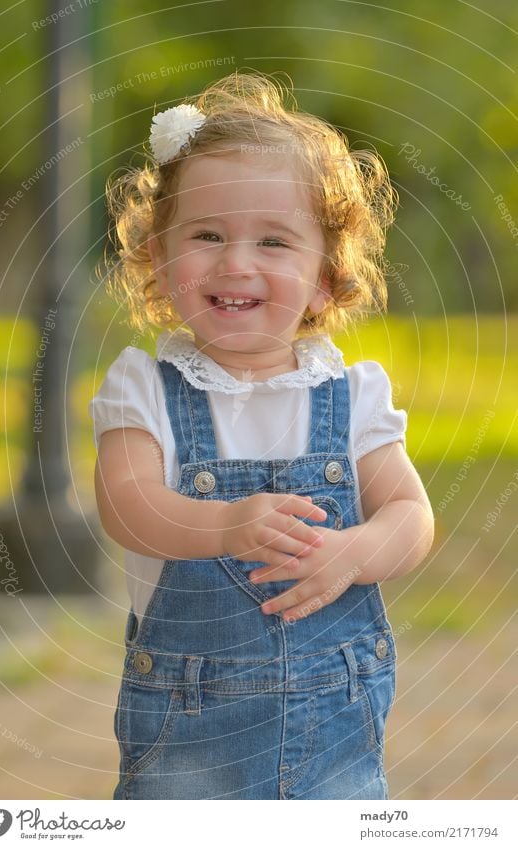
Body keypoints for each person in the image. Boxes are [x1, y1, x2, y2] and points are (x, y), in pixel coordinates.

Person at [89, 71, 434, 800]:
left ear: (324, 277)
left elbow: (410, 515)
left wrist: (353, 553)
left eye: (273, 241)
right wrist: (224, 523)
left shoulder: (354, 393)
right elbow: (127, 504)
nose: (235, 261)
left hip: (335, 735)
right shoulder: (144, 386)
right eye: (206, 235)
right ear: (158, 256)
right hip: (189, 743)